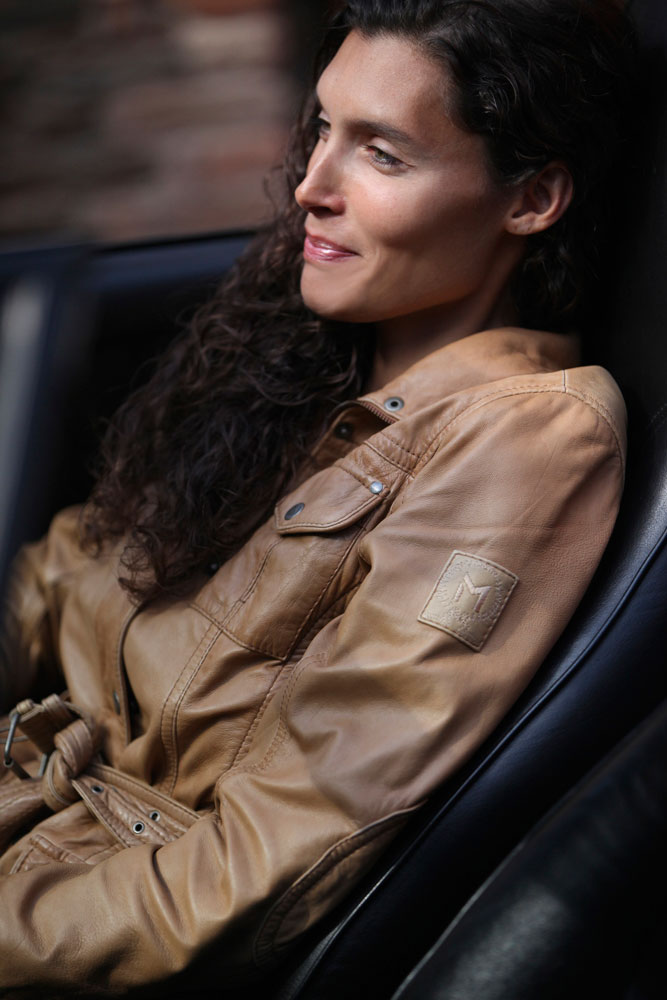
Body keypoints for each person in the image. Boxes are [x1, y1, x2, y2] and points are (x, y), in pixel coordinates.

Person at [0, 0, 636, 993]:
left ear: (532, 199)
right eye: (323, 128)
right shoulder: (290, 360)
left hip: (77, 910)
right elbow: (54, 578)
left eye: (381, 154)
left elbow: (266, 863)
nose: (309, 185)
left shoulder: (525, 436)